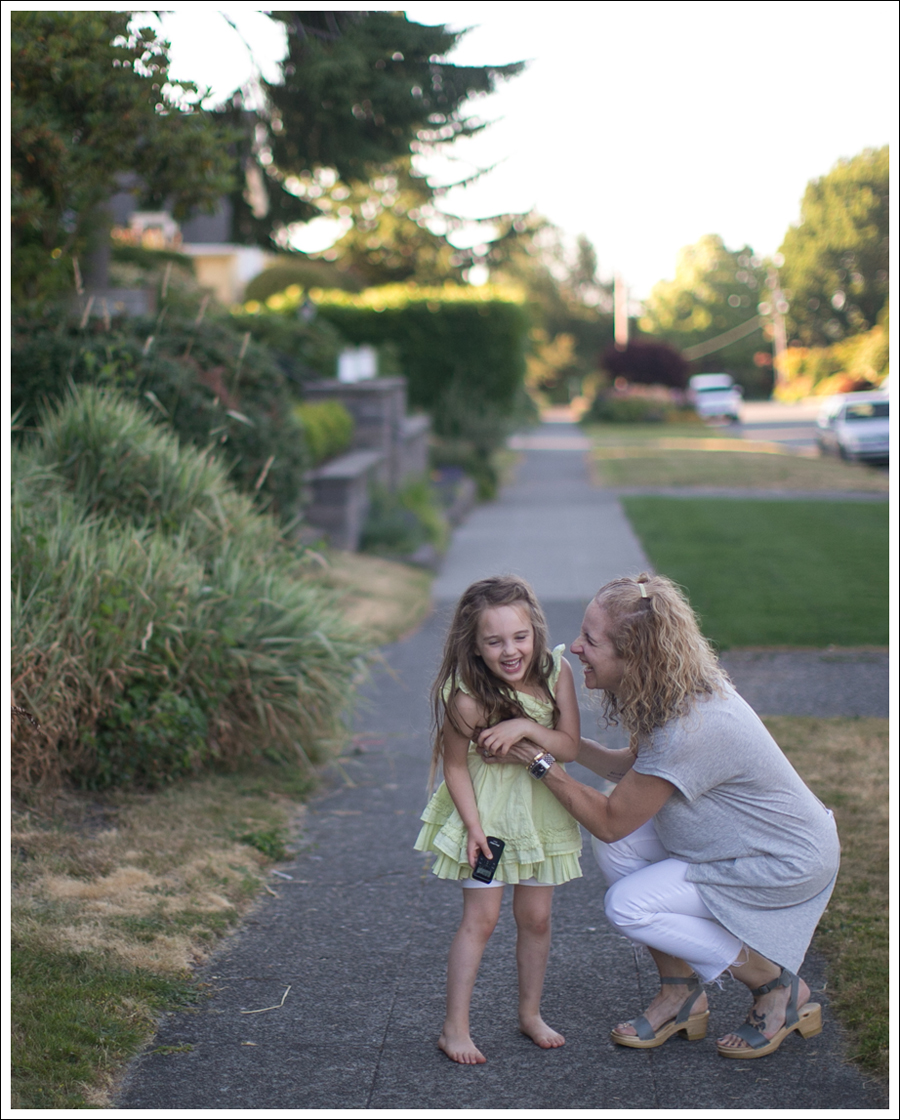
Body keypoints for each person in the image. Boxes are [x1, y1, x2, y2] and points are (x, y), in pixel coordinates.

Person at [478, 573, 840, 1060]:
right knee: (619, 848)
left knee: (629, 906)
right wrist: (552, 739)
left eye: (591, 640)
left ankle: (776, 986)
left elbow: (610, 819)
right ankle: (680, 992)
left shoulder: (689, 728)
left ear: (635, 655)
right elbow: (627, 770)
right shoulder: (674, 692)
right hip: (734, 842)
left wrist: (539, 762)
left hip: (780, 861)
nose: (577, 647)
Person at [414, 575, 583, 1065]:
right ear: (475, 645)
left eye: (520, 637)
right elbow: (454, 765)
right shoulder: (467, 697)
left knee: (537, 918)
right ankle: (454, 1028)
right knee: (481, 920)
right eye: (495, 641)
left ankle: (530, 1014)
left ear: (535, 631)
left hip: (540, 809)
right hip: (487, 813)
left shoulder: (556, 673)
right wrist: (472, 827)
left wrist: (526, 725)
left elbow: (569, 746)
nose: (511, 651)